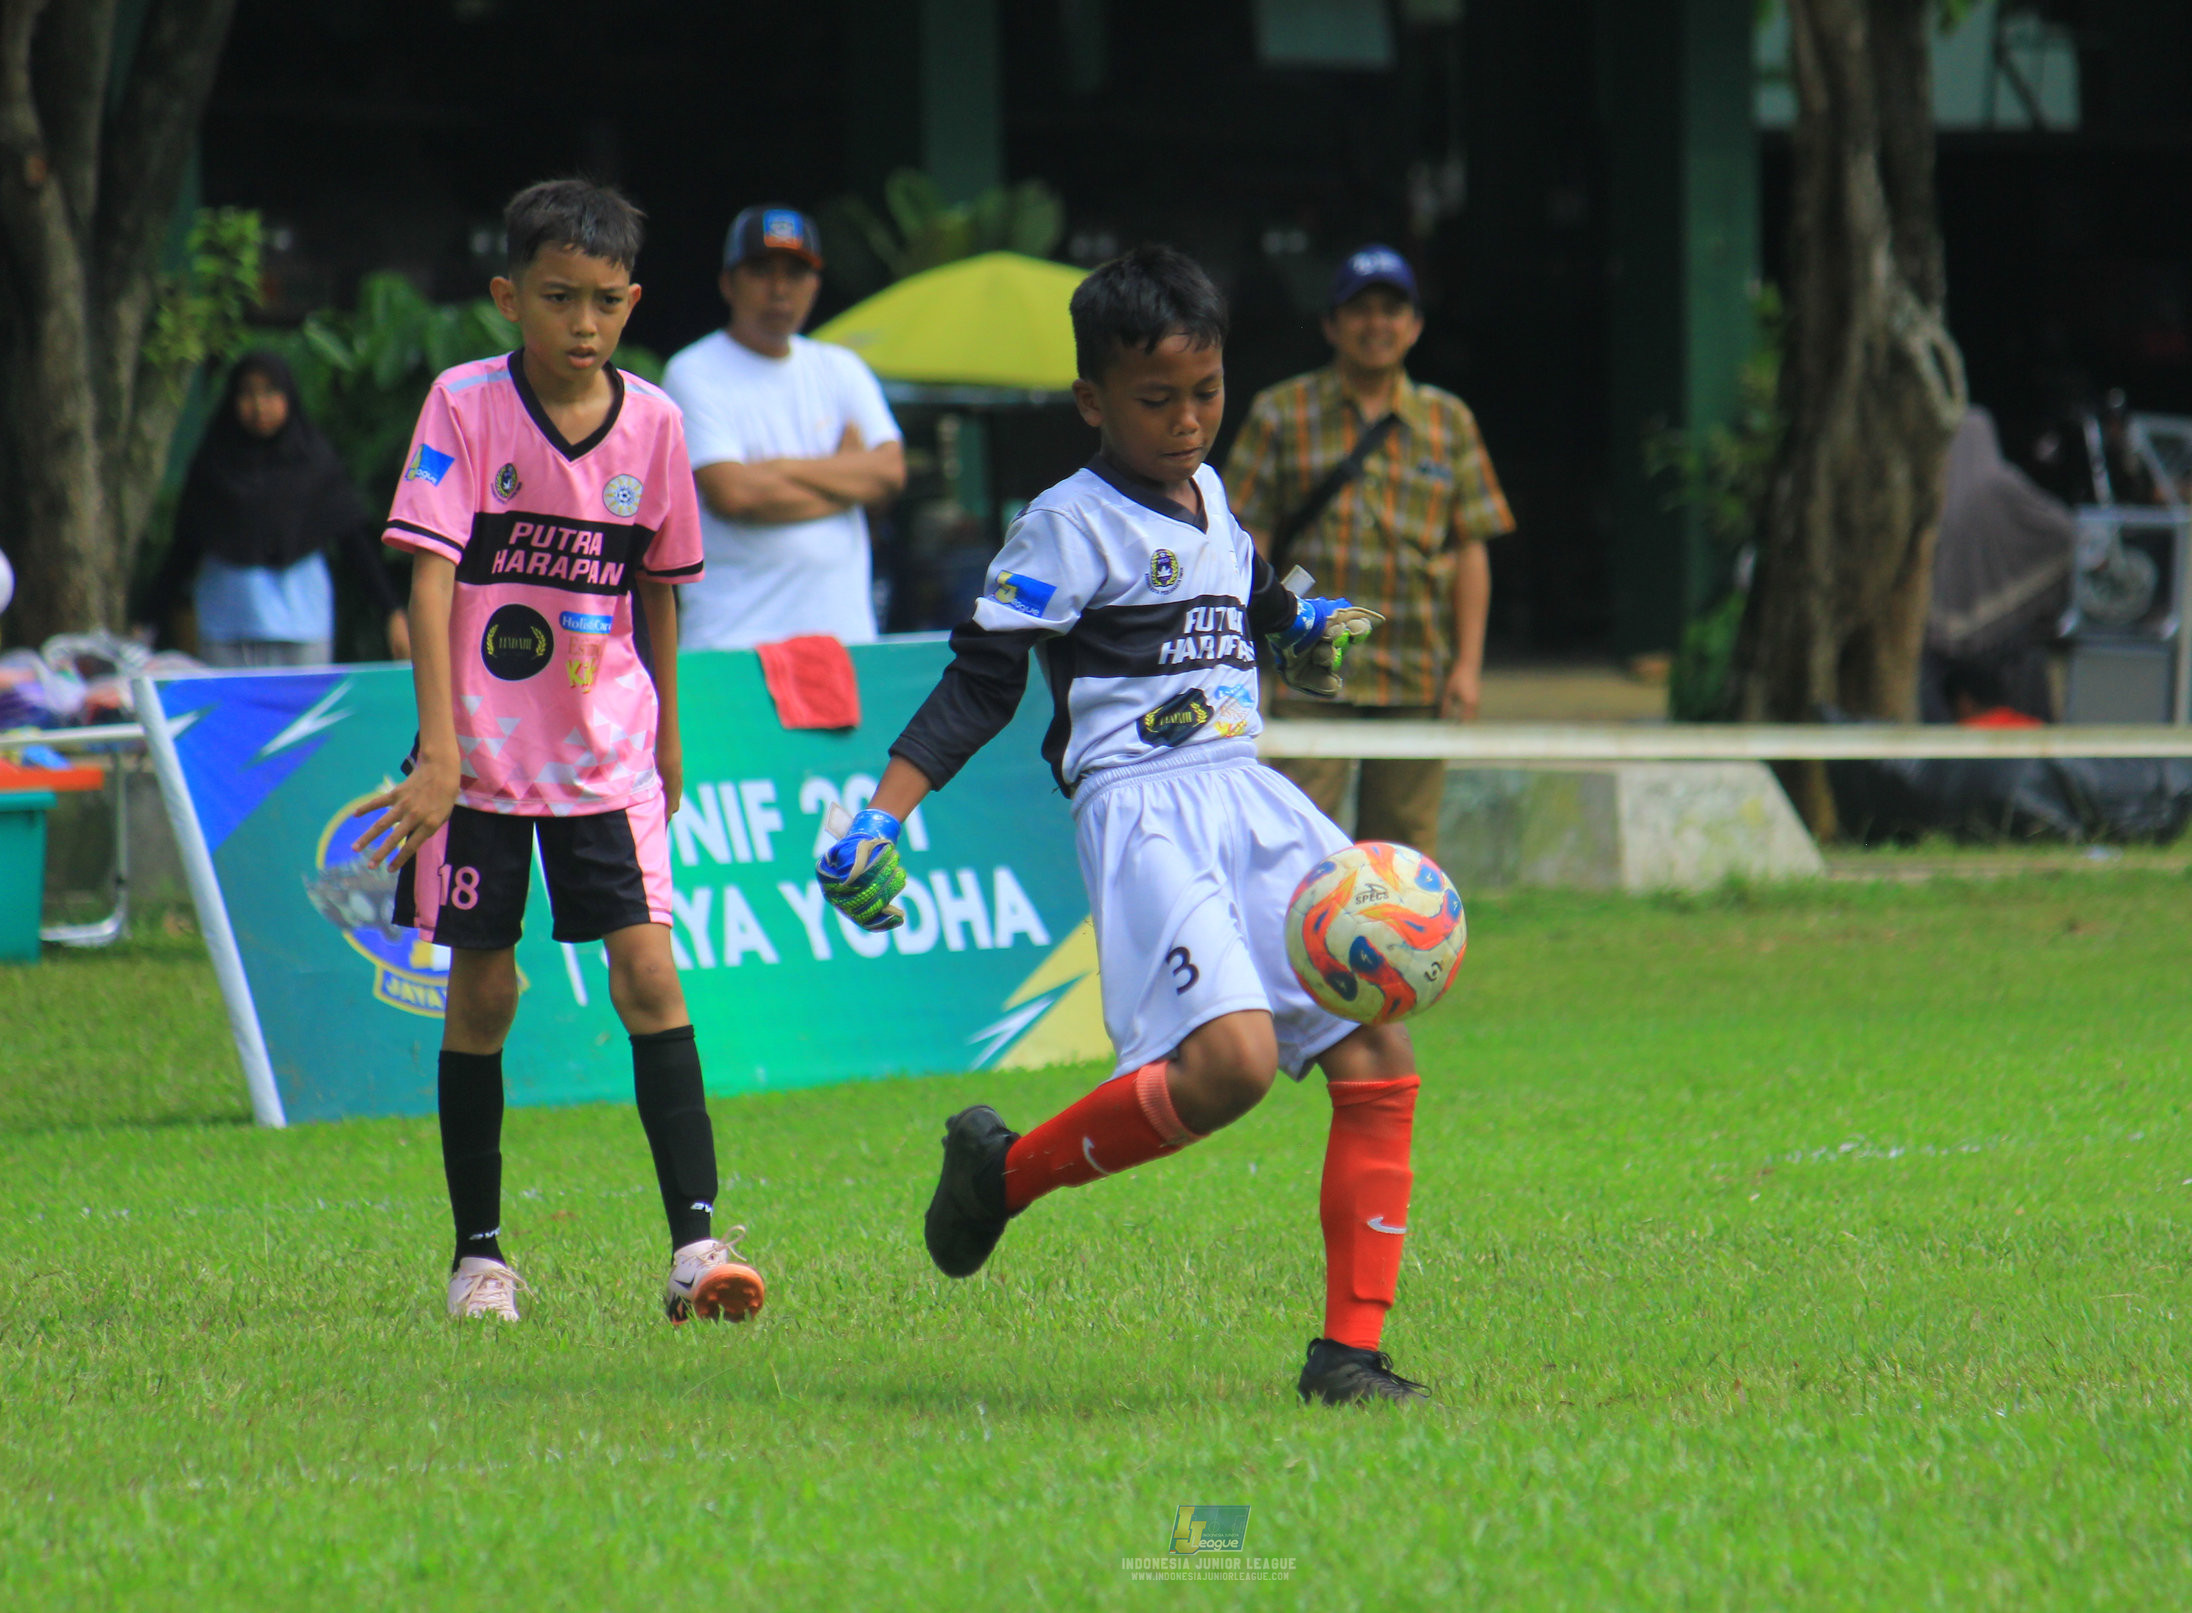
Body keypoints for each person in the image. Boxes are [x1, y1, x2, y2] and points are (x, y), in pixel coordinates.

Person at [815, 246, 1430, 1406]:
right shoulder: (1065, 523)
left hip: (1250, 795)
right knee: (1232, 1067)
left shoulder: (1214, 502)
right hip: (1142, 810)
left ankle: (1347, 1354)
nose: (1188, 420)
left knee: (1377, 1045)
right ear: (1092, 400)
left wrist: (1303, 630)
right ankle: (1004, 1176)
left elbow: (1253, 598)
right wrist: (880, 816)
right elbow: (982, 682)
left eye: (1207, 393)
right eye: (1157, 400)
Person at [351, 179, 763, 1328]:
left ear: (631, 303)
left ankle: (697, 1249)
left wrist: (669, 731)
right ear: (508, 298)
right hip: (477, 762)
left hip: (607, 761)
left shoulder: (658, 425)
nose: (583, 323)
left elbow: (658, 591)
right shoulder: (464, 405)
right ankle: (478, 1259)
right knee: (483, 995)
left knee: (652, 978)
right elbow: (431, 579)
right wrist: (437, 751)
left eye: (604, 301)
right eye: (557, 298)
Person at [1223, 244, 1513, 856]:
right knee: (1294, 842)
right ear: (1330, 324)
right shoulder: (1281, 412)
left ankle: (1397, 956)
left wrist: (1467, 665)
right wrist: (1241, 656)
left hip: (1415, 671)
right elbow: (1244, 544)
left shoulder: (1449, 421)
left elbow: (1470, 550)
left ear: (1414, 326)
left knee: (1404, 854)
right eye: (1359, 310)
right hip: (1307, 667)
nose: (1375, 324)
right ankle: (1281, 956)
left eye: (1391, 309)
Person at [661, 206, 906, 648]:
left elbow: (889, 474)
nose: (779, 289)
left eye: (795, 273)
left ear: (815, 283)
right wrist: (845, 479)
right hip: (735, 642)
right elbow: (735, 494)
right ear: (727, 283)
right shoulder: (693, 371)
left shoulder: (841, 367)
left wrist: (777, 468)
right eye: (760, 271)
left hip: (845, 641)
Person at [142, 350, 410, 666]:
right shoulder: (213, 466)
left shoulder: (314, 463)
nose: (259, 406)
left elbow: (355, 543)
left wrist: (392, 611)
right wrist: (146, 622)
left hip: (301, 628)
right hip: (228, 628)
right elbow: (185, 548)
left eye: (270, 392)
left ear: (289, 397)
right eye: (247, 393)